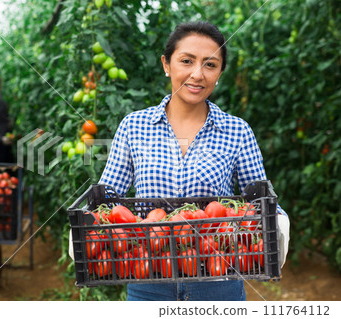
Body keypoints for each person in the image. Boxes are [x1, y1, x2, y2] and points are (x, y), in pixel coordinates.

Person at [97, 21, 290, 301]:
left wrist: (278, 219)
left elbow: (257, 199)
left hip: (219, 280)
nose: (197, 74)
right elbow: (109, 198)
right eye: (186, 61)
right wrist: (92, 221)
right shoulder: (134, 126)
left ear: (220, 73)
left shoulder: (237, 131)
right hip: (148, 275)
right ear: (167, 64)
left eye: (210, 65)